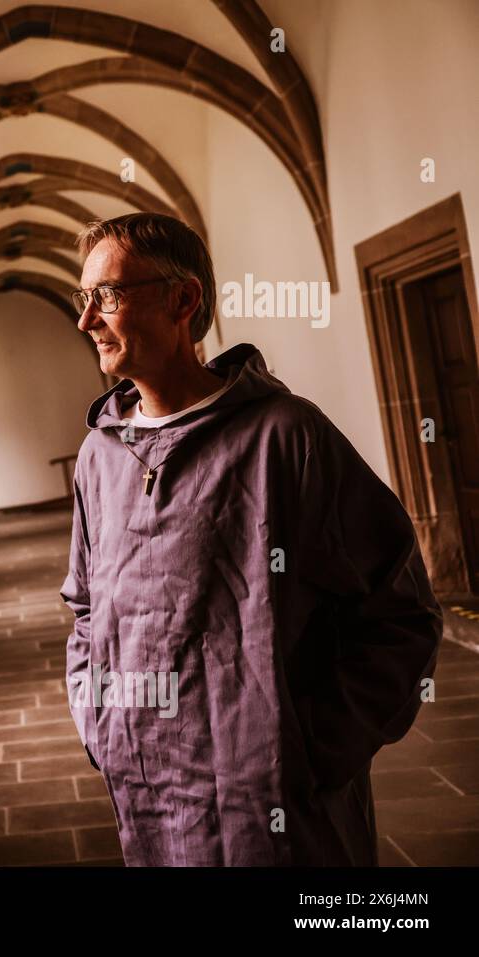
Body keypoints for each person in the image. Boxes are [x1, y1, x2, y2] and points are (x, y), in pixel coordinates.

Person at [60, 212, 443, 866]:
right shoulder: (100, 457)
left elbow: (399, 615)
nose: (87, 319)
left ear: (184, 300)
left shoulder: (287, 438)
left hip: (280, 822)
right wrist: (103, 730)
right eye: (84, 297)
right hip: (152, 808)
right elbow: (86, 610)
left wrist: (309, 752)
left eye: (111, 295)